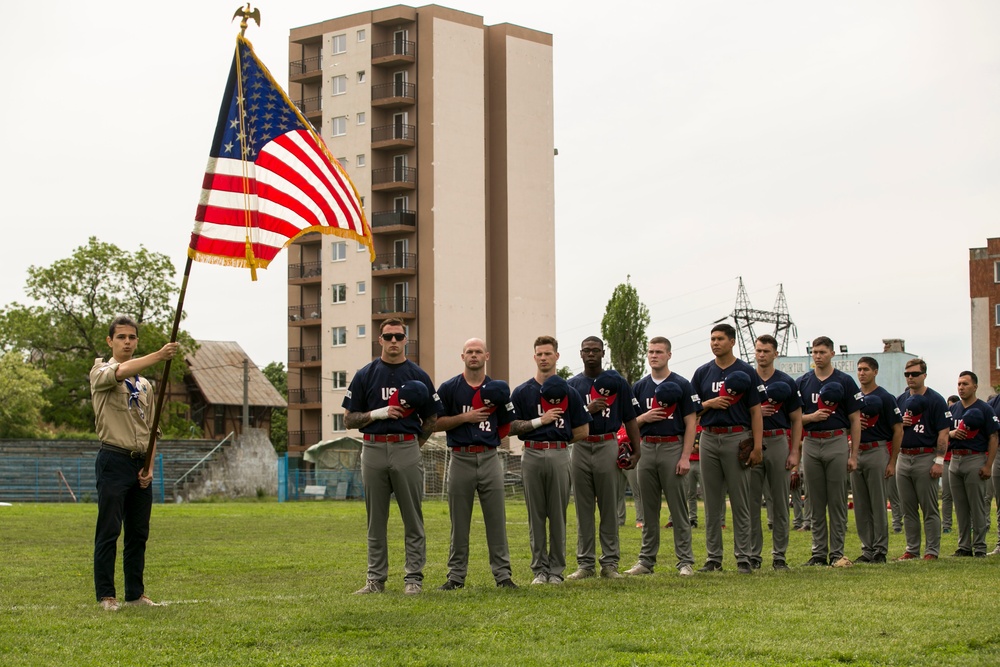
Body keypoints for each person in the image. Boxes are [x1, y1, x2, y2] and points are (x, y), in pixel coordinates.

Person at [344, 319, 441, 595]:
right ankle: (375, 579)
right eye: (389, 336)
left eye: (399, 336)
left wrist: (415, 444)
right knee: (376, 519)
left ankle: (414, 578)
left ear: (406, 339)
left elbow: (432, 417)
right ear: (380, 340)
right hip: (373, 447)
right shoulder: (366, 374)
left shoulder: (418, 375)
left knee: (412, 516)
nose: (394, 341)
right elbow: (349, 419)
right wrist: (379, 413)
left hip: (406, 446)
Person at [91, 315, 179, 611]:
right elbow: (121, 371)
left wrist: (150, 467)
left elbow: (152, 429)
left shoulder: (145, 386)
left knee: (138, 532)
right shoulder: (101, 371)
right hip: (113, 459)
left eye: (132, 337)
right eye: (121, 337)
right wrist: (159, 355)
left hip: (140, 463)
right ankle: (106, 595)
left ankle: (135, 593)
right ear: (110, 341)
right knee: (109, 530)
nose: (127, 342)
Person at [434, 338, 518, 589]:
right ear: (462, 357)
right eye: (469, 352)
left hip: (490, 456)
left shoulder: (498, 388)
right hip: (460, 456)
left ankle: (503, 576)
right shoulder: (449, 388)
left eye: (478, 351)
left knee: (496, 520)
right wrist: (465, 417)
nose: (473, 355)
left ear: (486, 356)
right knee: (459, 522)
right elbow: (436, 423)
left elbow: (507, 425)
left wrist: (489, 439)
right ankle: (456, 577)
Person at [509, 336, 591, 584]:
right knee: (536, 514)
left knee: (557, 514)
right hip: (531, 452)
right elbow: (511, 426)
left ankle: (556, 570)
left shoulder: (570, 392)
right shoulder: (523, 391)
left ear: (557, 356)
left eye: (548, 353)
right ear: (534, 357)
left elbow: (583, 430)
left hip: (558, 452)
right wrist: (540, 422)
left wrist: (559, 443)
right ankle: (539, 570)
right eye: (539, 354)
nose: (543, 358)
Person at [566, 337, 641, 580]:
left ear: (602, 353)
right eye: (586, 350)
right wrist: (588, 410)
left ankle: (610, 564)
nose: (591, 354)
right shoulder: (573, 385)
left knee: (609, 508)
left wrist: (636, 450)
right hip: (581, 445)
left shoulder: (617, 382)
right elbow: (566, 423)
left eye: (595, 350)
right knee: (583, 508)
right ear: (580, 354)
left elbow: (630, 417)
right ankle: (585, 564)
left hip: (608, 442)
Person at [690, 324, 763, 575]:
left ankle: (743, 557)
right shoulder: (702, 373)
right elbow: (691, 410)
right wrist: (708, 402)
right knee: (711, 502)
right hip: (709, 438)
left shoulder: (746, 372)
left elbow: (756, 411)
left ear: (732, 341)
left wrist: (756, 444)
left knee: (740, 501)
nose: (715, 342)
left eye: (720, 338)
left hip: (737, 437)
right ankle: (713, 558)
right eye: (712, 338)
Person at [626, 337, 698, 577]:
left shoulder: (682, 384)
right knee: (648, 510)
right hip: (646, 447)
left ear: (669, 355)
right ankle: (646, 561)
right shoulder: (639, 387)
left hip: (672, 447)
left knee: (678, 508)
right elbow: (629, 423)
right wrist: (645, 418)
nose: (653, 355)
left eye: (658, 352)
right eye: (650, 352)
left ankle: (685, 561)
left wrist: (685, 456)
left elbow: (691, 422)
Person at [795, 336, 861, 567]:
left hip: (836, 440)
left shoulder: (845, 381)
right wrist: (810, 417)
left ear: (832, 353)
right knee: (814, 499)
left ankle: (837, 552)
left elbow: (855, 419)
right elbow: (794, 419)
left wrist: (854, 455)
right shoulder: (803, 381)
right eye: (814, 352)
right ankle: (818, 552)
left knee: (837, 500)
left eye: (822, 352)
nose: (818, 356)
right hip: (812, 442)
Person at [750, 335, 803, 571]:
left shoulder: (787, 382)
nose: (761, 355)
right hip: (751, 443)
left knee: (780, 502)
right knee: (750, 502)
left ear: (775, 354)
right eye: (758, 350)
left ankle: (779, 555)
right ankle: (752, 554)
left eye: (766, 351)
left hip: (778, 439)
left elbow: (796, 419)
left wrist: (794, 452)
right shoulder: (745, 379)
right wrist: (757, 410)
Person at [894, 358, 950, 561]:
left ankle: (931, 551)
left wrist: (939, 460)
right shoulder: (900, 400)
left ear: (924, 375)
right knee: (907, 507)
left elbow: (943, 432)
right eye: (907, 374)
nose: (910, 378)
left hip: (925, 455)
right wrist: (902, 423)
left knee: (929, 507)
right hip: (904, 455)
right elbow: (894, 432)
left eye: (915, 374)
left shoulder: (935, 400)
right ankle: (912, 549)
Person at [852, 356, 902, 564]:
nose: (862, 373)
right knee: (861, 504)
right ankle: (867, 548)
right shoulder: (853, 398)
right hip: (857, 452)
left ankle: (880, 549)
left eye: (866, 369)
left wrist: (892, 461)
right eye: (859, 369)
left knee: (878, 503)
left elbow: (898, 430)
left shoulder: (886, 397)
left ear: (875, 372)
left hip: (877, 450)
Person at [947, 371, 999, 558]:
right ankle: (964, 546)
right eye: (959, 384)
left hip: (975, 458)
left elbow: (993, 437)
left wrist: (988, 465)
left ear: (975, 386)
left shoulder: (985, 409)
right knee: (960, 506)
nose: (961, 387)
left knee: (977, 506)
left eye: (965, 384)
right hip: (955, 459)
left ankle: (980, 547)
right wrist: (951, 434)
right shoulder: (954, 410)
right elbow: (944, 433)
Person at [941, 394, 961, 534]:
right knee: (947, 495)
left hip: (958, 457)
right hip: (947, 460)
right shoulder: (947, 417)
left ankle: (968, 524)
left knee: (962, 496)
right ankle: (946, 525)